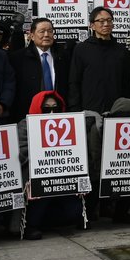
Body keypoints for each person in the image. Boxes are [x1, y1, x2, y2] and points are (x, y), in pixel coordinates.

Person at [23, 90, 85, 239]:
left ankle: (48, 221)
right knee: (39, 197)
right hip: (37, 181)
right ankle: (30, 224)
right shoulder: (24, 126)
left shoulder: (68, 126)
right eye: (46, 107)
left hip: (62, 180)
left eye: (55, 107)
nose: (51, 111)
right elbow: (21, 154)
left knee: (74, 212)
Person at [68, 7, 130, 115]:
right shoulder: (82, 49)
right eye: (101, 21)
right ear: (92, 25)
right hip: (89, 112)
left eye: (109, 20)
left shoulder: (121, 50)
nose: (106, 24)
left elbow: (126, 84)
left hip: (117, 111)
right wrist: (76, 110)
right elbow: (74, 82)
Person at [11, 17, 72, 107]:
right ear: (32, 36)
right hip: (29, 111)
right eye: (42, 31)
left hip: (58, 110)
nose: (46, 35)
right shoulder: (18, 58)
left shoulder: (64, 56)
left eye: (50, 31)